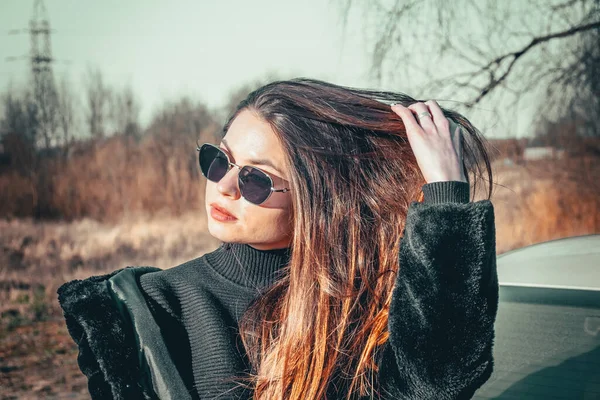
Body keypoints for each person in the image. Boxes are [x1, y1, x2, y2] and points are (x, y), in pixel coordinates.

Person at [57, 78, 498, 400]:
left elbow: (438, 382)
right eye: (218, 160)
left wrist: (445, 194)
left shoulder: (353, 310)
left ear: (317, 200)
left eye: (255, 179)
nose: (224, 185)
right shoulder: (146, 309)